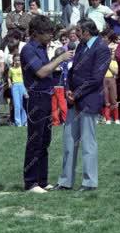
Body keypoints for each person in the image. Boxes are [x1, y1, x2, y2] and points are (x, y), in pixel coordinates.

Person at [52, 20, 110, 191]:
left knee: (88, 143)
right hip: (73, 101)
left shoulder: (102, 48)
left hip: (88, 100)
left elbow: (96, 78)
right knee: (69, 142)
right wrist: (68, 90)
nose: (75, 33)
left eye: (78, 30)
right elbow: (72, 71)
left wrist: (75, 94)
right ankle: (65, 181)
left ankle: (89, 182)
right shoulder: (81, 46)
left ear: (86, 31)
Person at [20, 15, 73, 193]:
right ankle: (30, 182)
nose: (50, 36)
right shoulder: (28, 49)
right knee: (35, 141)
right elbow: (42, 72)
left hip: (46, 96)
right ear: (35, 33)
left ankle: (42, 180)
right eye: (47, 33)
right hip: (35, 98)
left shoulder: (42, 48)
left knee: (45, 141)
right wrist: (61, 58)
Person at [51, 46, 70, 127]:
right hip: (53, 87)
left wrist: (53, 65)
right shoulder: (53, 62)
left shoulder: (64, 63)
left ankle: (65, 120)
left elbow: (59, 69)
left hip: (61, 87)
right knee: (54, 105)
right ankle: (55, 122)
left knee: (62, 105)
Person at [8, 56, 28, 127]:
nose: (17, 62)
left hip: (22, 85)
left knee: (23, 105)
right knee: (17, 105)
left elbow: (26, 79)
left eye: (19, 60)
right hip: (15, 86)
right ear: (13, 61)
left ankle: (24, 121)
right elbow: (9, 77)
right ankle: (18, 122)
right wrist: (10, 83)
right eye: (15, 60)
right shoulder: (11, 69)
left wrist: (26, 90)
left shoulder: (23, 69)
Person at [102, 49, 119, 124]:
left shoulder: (114, 62)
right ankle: (107, 118)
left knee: (113, 99)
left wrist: (108, 64)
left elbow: (116, 72)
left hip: (111, 80)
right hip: (103, 80)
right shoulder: (101, 62)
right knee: (106, 101)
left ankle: (116, 118)